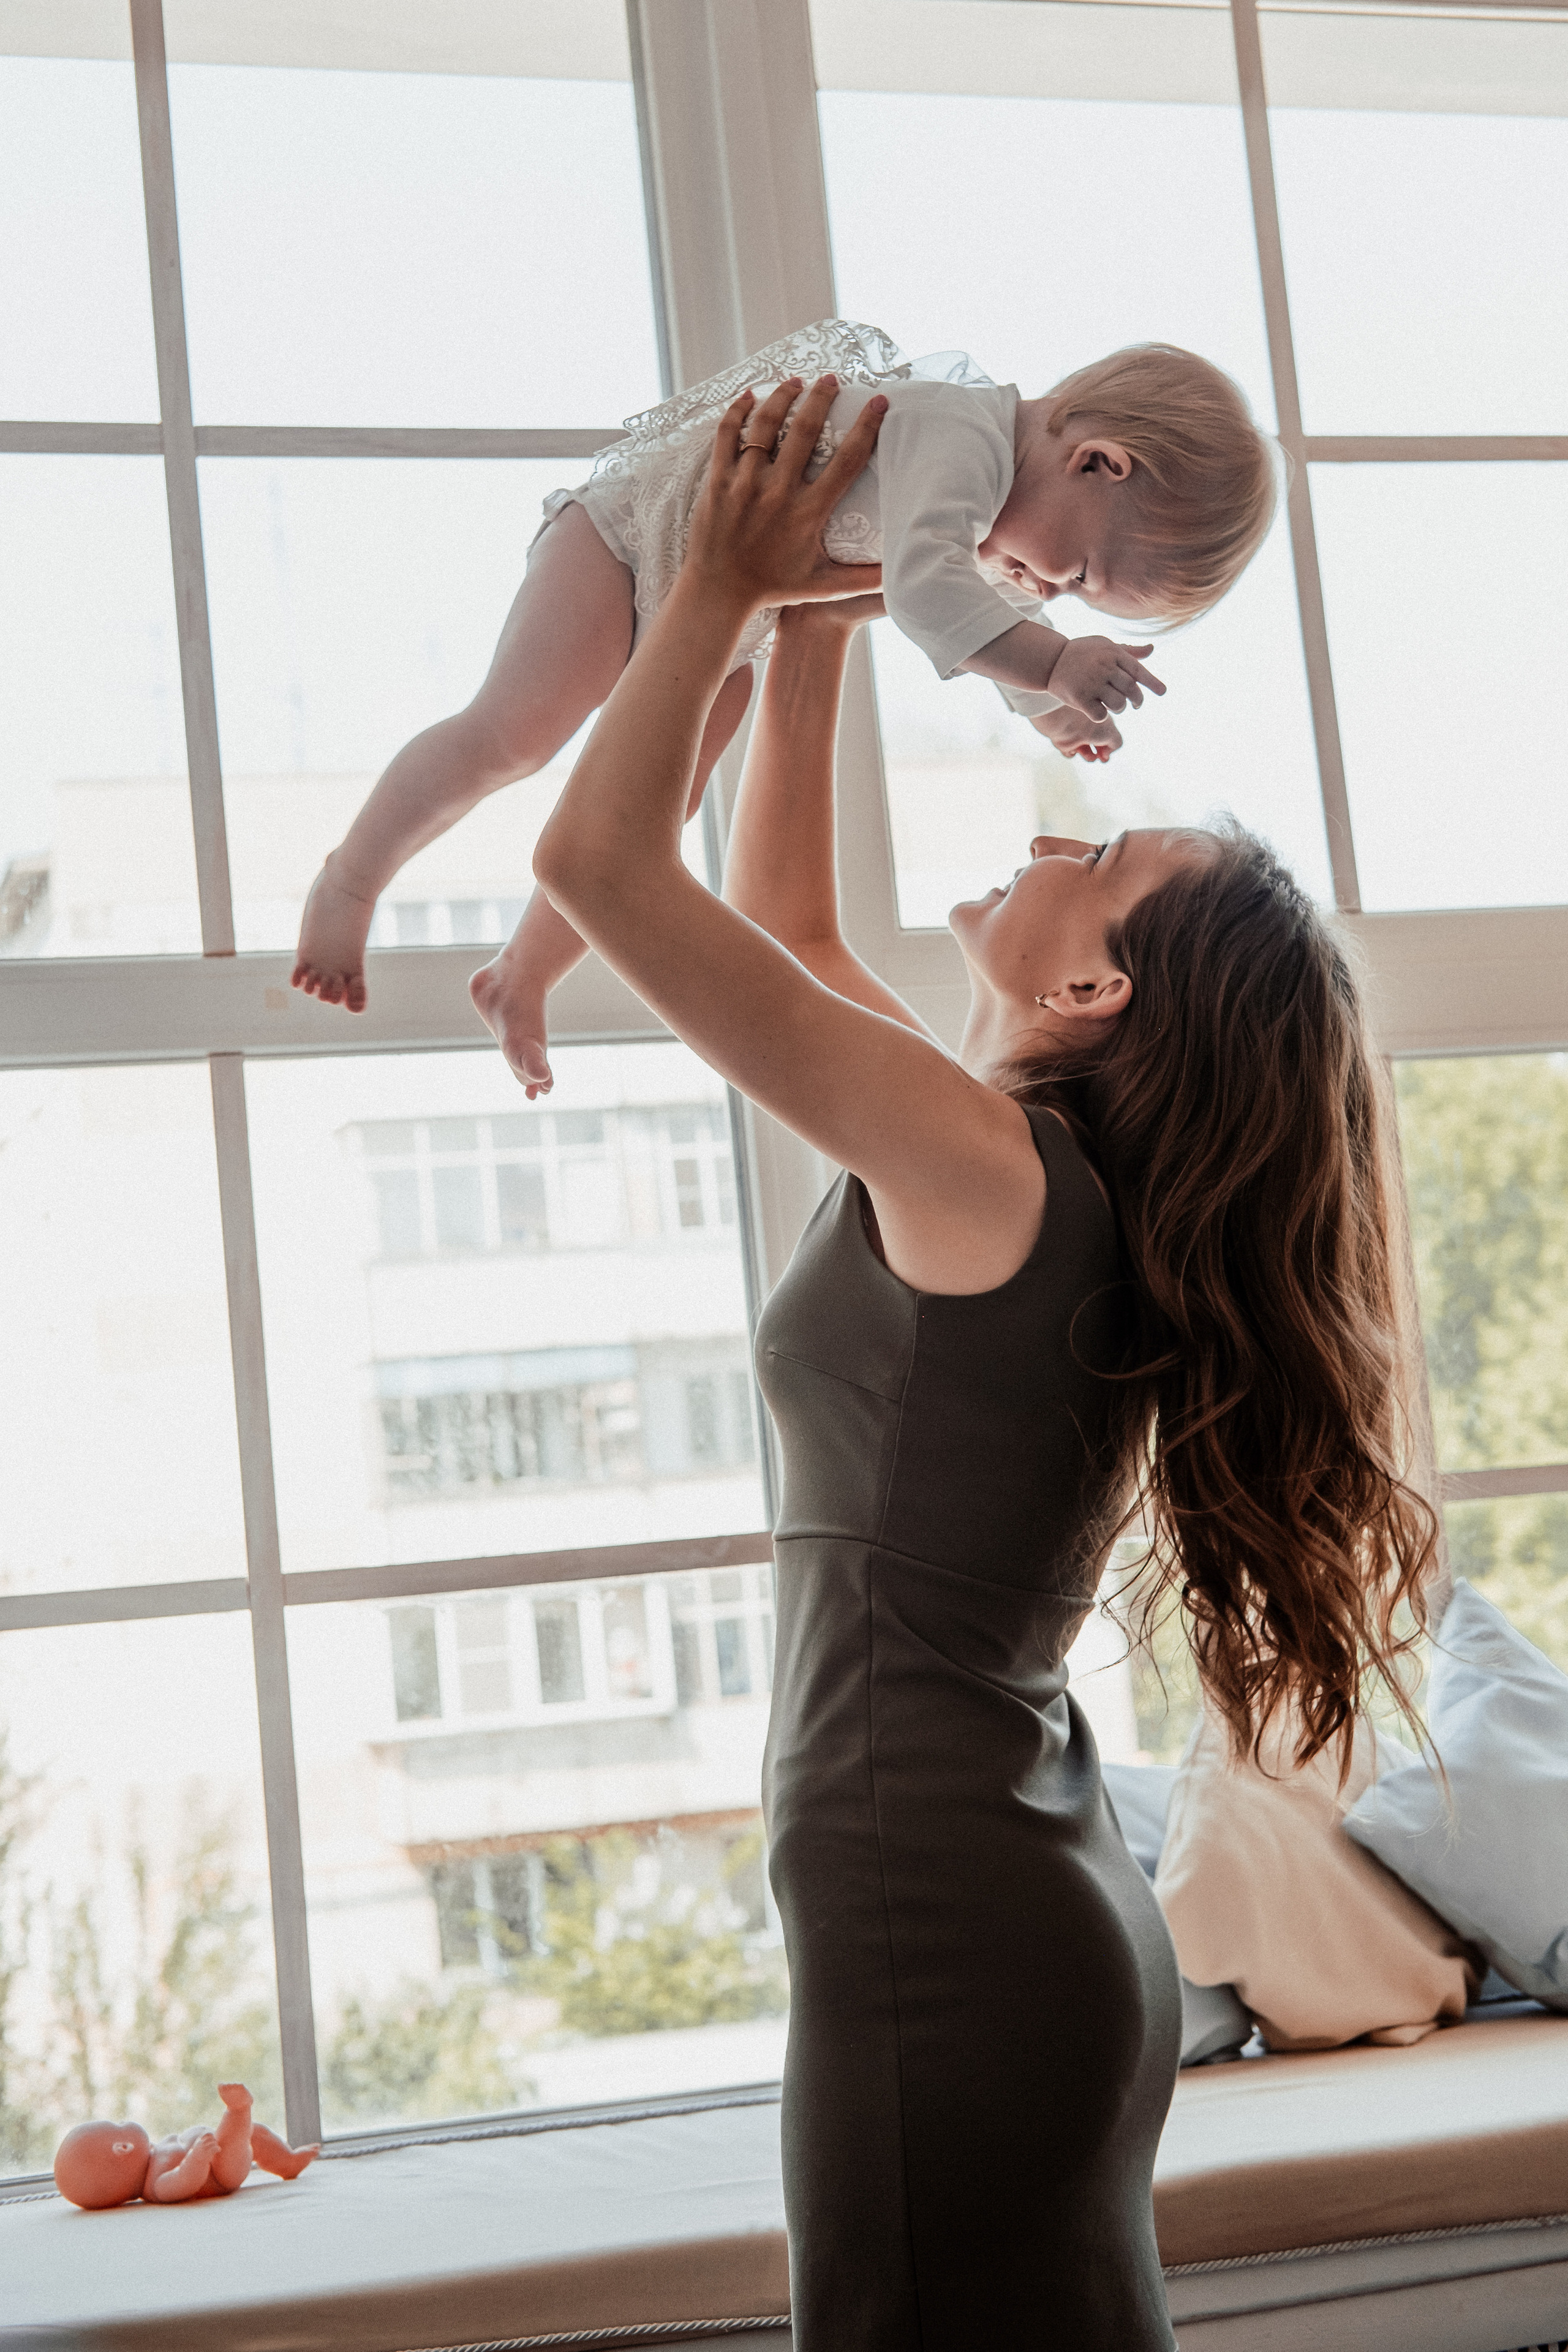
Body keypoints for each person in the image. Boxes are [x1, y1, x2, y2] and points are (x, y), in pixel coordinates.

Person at [530, 374, 1435, 2349]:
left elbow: (602, 872)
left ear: (1094, 984)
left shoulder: (993, 1171)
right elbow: (779, 912)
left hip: (934, 1882)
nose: (1061, 831)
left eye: (1098, 860)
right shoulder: (1010, 1163)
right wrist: (814, 607)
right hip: (1004, 1876)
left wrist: (717, 594)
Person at [290, 320, 1278, 1099]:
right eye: (1083, 574)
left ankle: (524, 971)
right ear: (1098, 461)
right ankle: (351, 878)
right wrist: (1059, 664)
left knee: (660, 806)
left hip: (723, 613)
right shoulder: (965, 438)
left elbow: (989, 616)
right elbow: (932, 600)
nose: (1049, 591)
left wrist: (1056, 714)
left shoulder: (993, 523)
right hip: (631, 545)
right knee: (511, 735)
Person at [53, 2081, 318, 2208]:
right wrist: (198, 2159)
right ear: (123, 2149)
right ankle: (238, 2109)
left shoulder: (155, 2154)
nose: (124, 2122)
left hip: (217, 2155)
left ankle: (288, 2162)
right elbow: (183, 2182)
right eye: (118, 2125)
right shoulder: (156, 2186)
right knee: (236, 2135)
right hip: (222, 2174)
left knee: (254, 2135)